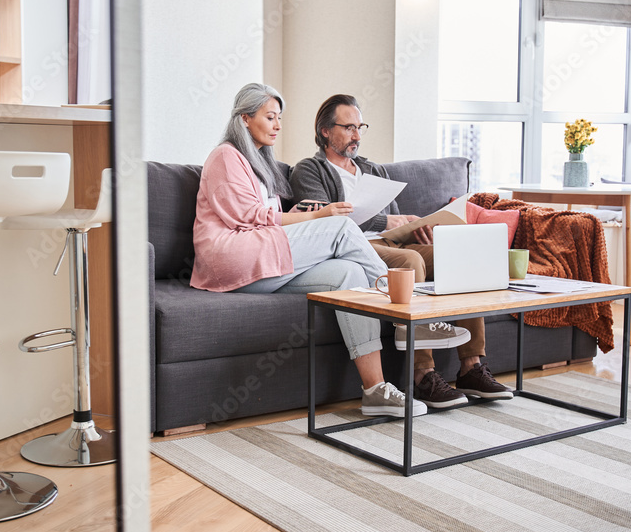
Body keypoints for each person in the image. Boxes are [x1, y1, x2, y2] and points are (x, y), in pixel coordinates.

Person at [191, 83, 428, 418]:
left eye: (279, 118)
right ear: (244, 119)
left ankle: (374, 389)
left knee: (352, 274)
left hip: (260, 263)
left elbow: (266, 215)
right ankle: (407, 313)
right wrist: (317, 216)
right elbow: (248, 217)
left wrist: (303, 213)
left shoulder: (259, 161)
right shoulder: (226, 156)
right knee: (342, 227)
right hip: (231, 259)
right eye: (269, 117)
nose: (277, 125)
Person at [290, 94, 514, 408]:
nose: (356, 136)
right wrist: (386, 220)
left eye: (360, 127)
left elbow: (394, 217)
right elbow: (326, 222)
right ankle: (424, 376)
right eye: (348, 127)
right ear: (325, 130)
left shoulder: (373, 169)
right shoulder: (310, 170)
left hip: (395, 241)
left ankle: (471, 367)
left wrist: (415, 226)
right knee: (410, 261)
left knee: (461, 259)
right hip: (358, 248)